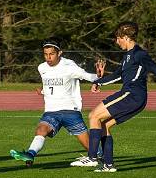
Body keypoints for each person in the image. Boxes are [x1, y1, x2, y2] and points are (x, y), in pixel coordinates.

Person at [81, 21, 156, 172]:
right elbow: (118, 75)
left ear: (125, 37)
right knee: (104, 125)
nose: (116, 42)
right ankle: (109, 165)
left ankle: (91, 158)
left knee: (93, 116)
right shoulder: (128, 56)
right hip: (133, 97)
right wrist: (99, 82)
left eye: (117, 38)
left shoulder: (140, 54)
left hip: (132, 95)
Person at [10, 37, 105, 167]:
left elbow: (87, 76)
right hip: (51, 111)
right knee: (41, 130)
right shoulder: (42, 68)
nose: (48, 57)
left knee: (90, 147)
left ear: (59, 53)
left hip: (70, 111)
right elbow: (51, 85)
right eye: (45, 54)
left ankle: (103, 158)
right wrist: (43, 91)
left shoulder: (69, 66)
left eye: (52, 54)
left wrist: (98, 76)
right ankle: (30, 154)